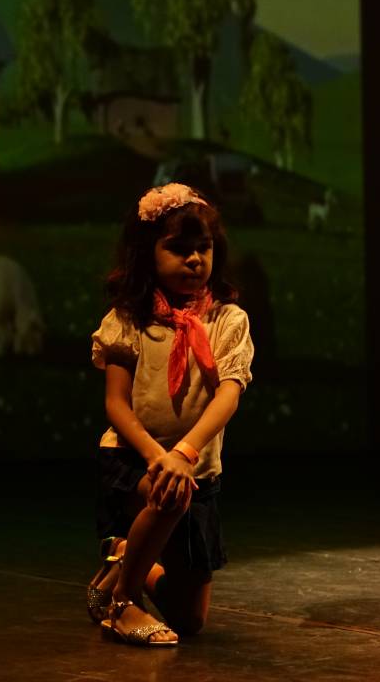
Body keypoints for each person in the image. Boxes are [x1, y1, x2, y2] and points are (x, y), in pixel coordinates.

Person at [85, 183, 254, 645]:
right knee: (169, 493)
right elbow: (116, 403)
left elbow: (229, 394)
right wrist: (159, 457)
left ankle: (126, 561)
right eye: (179, 249)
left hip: (194, 467)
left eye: (204, 248)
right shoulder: (129, 319)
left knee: (190, 621)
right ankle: (122, 604)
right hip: (135, 460)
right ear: (149, 253)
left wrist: (184, 453)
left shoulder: (227, 321)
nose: (195, 259)